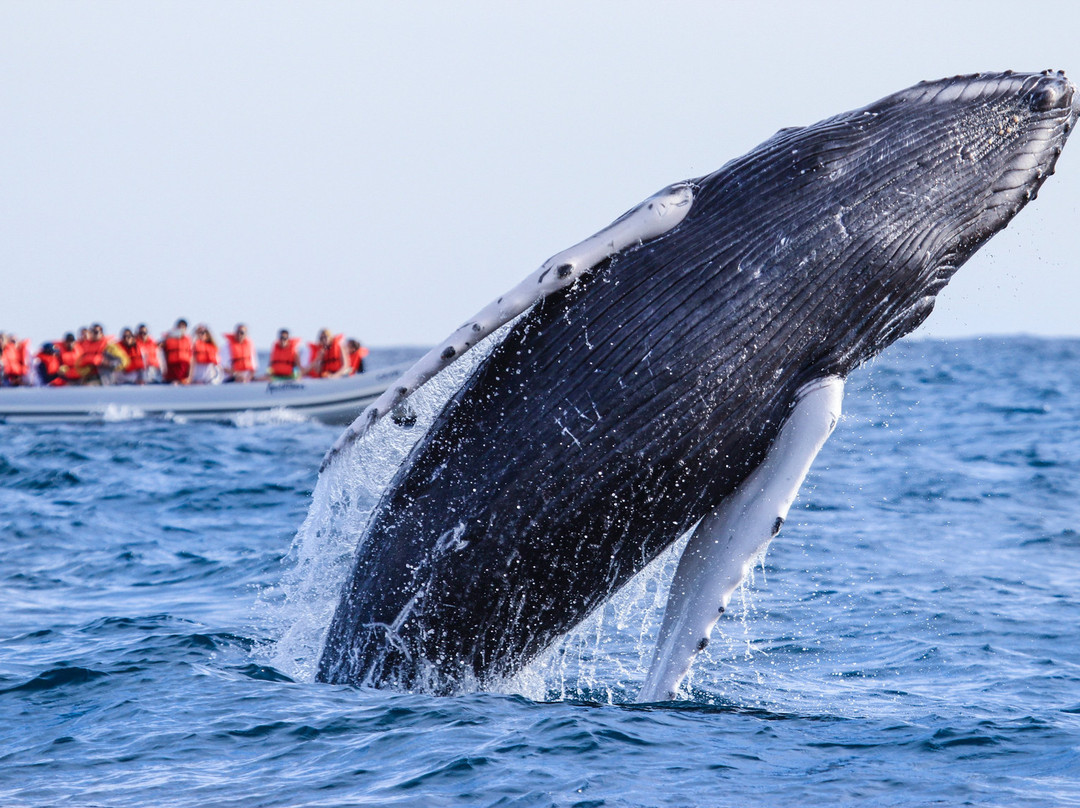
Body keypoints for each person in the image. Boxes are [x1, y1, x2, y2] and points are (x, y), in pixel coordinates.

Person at [162, 319, 193, 384]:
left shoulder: (188, 340)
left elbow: (191, 358)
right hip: (171, 372)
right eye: (179, 327)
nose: (181, 329)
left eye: (183, 327)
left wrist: (190, 376)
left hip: (184, 372)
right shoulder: (168, 339)